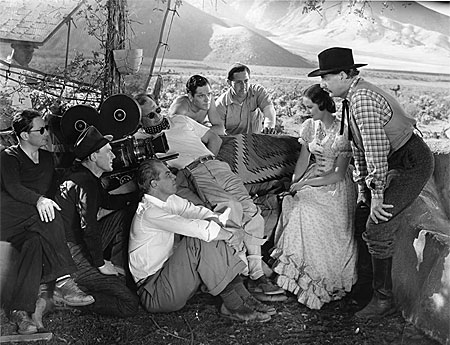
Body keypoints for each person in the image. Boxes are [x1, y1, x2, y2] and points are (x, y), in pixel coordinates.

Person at [308, 47, 434, 319]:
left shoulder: (362, 99)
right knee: (362, 215)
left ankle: (383, 300)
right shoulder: (351, 98)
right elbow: (360, 149)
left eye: (326, 77)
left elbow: (375, 150)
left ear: (343, 75)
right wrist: (364, 193)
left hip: (411, 163)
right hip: (393, 162)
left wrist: (377, 195)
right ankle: (364, 290)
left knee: (378, 225)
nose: (323, 84)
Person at [133, 93, 285, 301]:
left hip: (215, 165)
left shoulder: (180, 120)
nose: (158, 116)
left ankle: (255, 272)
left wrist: (210, 159)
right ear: (140, 120)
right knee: (229, 208)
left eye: (158, 110)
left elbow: (213, 137)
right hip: (192, 172)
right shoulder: (143, 141)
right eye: (150, 115)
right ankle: (251, 275)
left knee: (250, 210)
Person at [129, 159, 275, 321]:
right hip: (155, 292)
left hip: (171, 279)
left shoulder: (170, 201)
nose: (173, 177)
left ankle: (243, 298)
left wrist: (231, 227)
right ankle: (234, 306)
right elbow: (195, 227)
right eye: (167, 174)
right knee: (200, 239)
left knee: (214, 232)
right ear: (154, 184)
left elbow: (200, 213)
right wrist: (230, 235)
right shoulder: (149, 212)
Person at [0, 109, 94, 334]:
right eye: (40, 129)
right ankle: (64, 281)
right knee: (47, 216)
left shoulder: (45, 158)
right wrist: (40, 200)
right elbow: (13, 188)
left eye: (46, 128)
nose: (46, 133)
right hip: (7, 216)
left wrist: (90, 153)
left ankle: (20, 313)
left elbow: (55, 182)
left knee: (33, 243)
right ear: (24, 135)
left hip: (31, 223)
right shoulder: (8, 156)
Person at [270, 84, 357, 309]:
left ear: (323, 105)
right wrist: (294, 184)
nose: (308, 112)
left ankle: (321, 280)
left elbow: (337, 174)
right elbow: (303, 158)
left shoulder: (343, 131)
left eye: (311, 107)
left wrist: (306, 183)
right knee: (295, 204)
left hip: (334, 187)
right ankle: (294, 279)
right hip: (312, 177)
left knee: (307, 212)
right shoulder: (310, 126)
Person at [56, 125, 139, 317]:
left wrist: (138, 196)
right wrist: (101, 264)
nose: (114, 157)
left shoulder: (87, 177)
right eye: (108, 152)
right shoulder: (85, 183)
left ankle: (117, 269)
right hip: (73, 254)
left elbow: (109, 202)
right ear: (93, 157)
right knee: (129, 303)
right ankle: (63, 297)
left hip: (79, 244)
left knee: (123, 214)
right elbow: (89, 228)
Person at [215, 63, 276, 135]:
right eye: (238, 82)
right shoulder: (221, 104)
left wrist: (269, 125)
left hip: (257, 141)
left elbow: (268, 109)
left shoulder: (258, 92)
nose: (243, 86)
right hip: (233, 143)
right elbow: (219, 130)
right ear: (229, 83)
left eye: (246, 81)